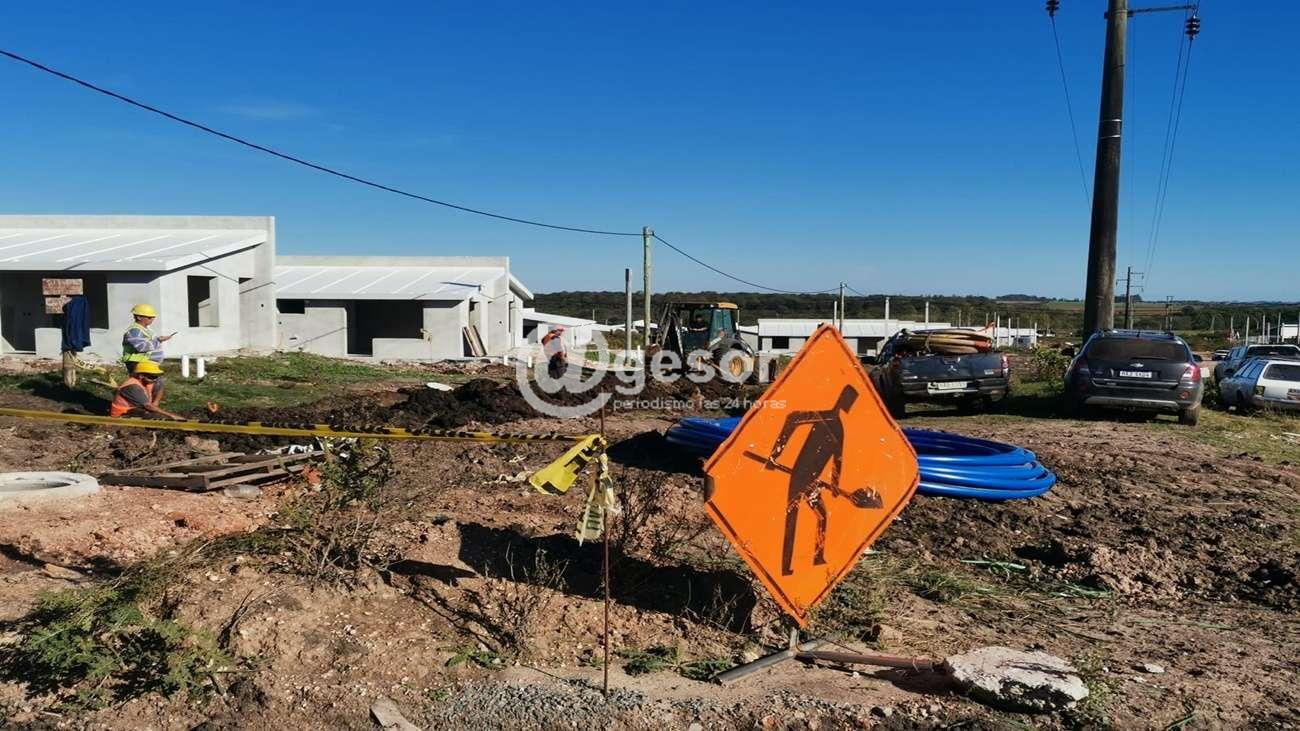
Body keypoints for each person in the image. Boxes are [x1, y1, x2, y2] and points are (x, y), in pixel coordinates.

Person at [122, 303, 172, 404]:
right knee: (143, 386)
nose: (152, 319)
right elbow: (142, 347)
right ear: (139, 317)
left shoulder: (145, 329)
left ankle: (151, 405)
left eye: (153, 317)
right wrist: (158, 340)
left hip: (146, 363)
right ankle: (143, 406)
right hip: (138, 363)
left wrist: (158, 340)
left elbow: (149, 343)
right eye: (149, 317)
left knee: (155, 384)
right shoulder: (134, 331)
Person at [109, 361, 184, 420]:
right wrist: (171, 415)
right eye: (152, 377)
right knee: (153, 416)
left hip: (140, 408)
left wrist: (155, 403)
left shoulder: (150, 381)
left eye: (156, 376)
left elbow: (160, 387)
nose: (155, 379)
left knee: (156, 413)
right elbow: (148, 406)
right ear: (141, 376)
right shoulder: (132, 387)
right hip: (123, 414)